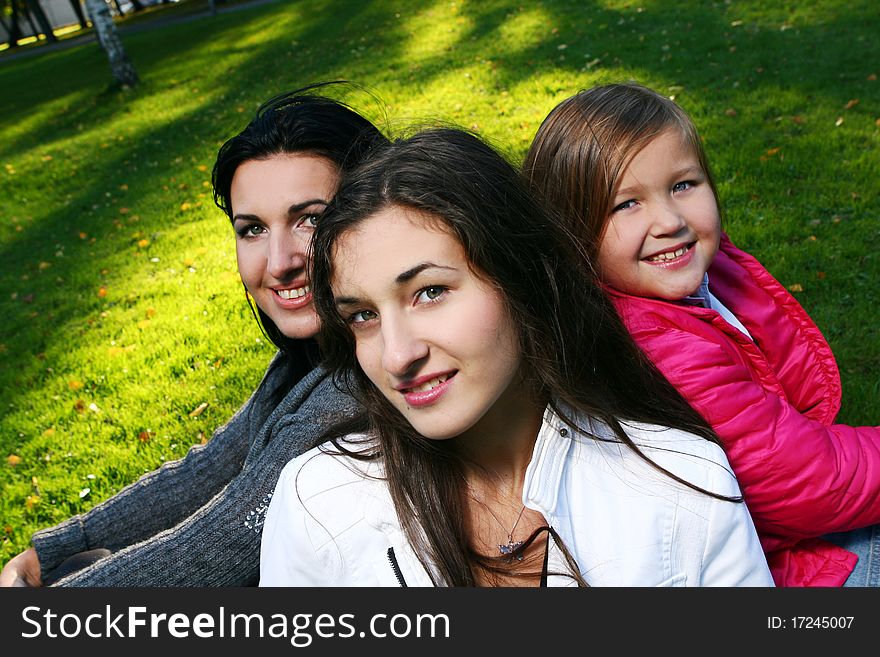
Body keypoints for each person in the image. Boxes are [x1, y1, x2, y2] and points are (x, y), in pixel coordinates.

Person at [258, 127, 773, 586]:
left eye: (430, 292)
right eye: (363, 316)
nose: (397, 356)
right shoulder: (318, 502)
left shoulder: (683, 482)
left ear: (522, 278)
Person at [0, 82, 388, 587]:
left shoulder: (361, 384)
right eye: (252, 229)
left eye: (310, 220)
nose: (279, 263)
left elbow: (226, 540)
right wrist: (53, 552)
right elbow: (209, 468)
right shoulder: (310, 357)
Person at [523, 81, 880, 587]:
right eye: (626, 204)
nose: (669, 220)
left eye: (683, 185)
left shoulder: (688, 283)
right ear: (571, 232)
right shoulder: (657, 345)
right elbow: (802, 483)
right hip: (782, 567)